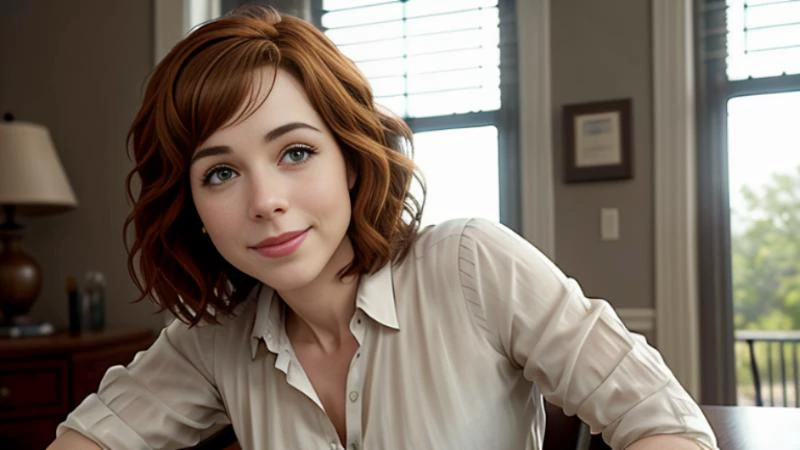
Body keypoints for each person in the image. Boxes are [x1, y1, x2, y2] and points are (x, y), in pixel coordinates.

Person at [49, 5, 717, 450]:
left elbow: (667, 424)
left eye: (296, 152)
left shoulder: (470, 264)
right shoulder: (213, 340)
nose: (266, 200)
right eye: (220, 173)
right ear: (191, 206)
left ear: (351, 158)